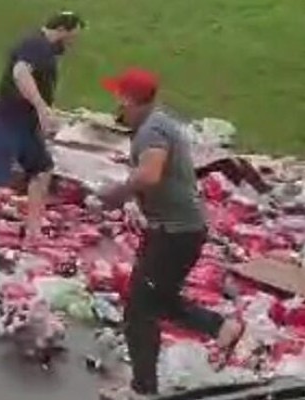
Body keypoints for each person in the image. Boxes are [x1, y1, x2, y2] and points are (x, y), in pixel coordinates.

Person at [94, 68, 245, 400]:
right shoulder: (157, 124)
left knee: (139, 310)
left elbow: (149, 175)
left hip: (175, 233)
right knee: (159, 299)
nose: (115, 103)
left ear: (129, 99)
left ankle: (142, 389)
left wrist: (115, 194)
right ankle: (221, 327)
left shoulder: (152, 131)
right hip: (179, 229)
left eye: (118, 96)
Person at [0, 11, 84, 240]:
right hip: (8, 119)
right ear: (63, 30)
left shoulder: (45, 50)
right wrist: (41, 107)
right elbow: (20, 72)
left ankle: (34, 230)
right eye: (73, 36)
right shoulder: (36, 44)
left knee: (42, 170)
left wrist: (45, 112)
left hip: (25, 124)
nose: (73, 43)